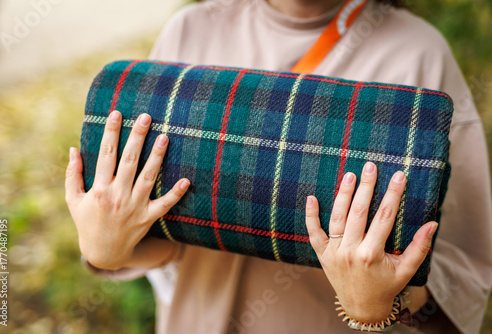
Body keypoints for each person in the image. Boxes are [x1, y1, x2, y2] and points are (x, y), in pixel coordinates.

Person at [65, 0, 492, 333]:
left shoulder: (420, 52)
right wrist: (109, 251)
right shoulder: (192, 28)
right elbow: (167, 228)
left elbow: (467, 280)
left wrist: (386, 303)